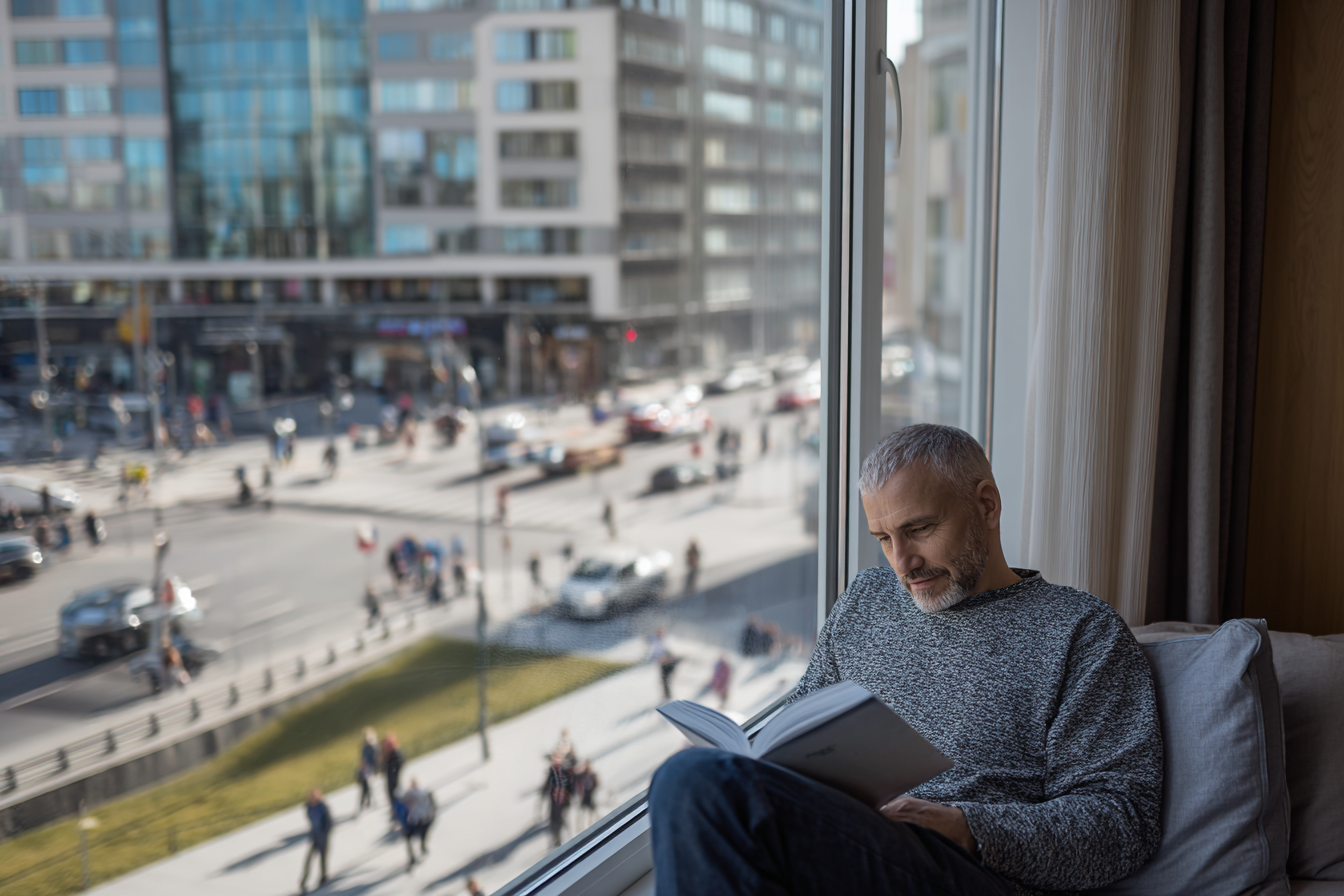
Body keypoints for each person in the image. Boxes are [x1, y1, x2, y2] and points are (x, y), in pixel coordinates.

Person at [647, 424, 1162, 896]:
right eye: (884, 539)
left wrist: (964, 826)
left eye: (918, 530)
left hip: (971, 873)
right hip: (854, 847)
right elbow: (799, 733)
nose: (901, 562)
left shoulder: (1079, 631)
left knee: (689, 781)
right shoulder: (867, 599)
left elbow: (1124, 823)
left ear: (986, 506)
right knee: (699, 784)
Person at [299, 788, 332, 893]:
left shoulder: (323, 807)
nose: (313, 798)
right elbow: (310, 818)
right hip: (314, 837)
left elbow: (329, 822)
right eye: (311, 796)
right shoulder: (309, 807)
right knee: (308, 860)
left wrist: (324, 833)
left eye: (315, 796)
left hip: (322, 837)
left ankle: (324, 877)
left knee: (323, 859)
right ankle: (303, 882)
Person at [400, 778, 437, 867]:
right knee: (422, 834)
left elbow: (403, 802)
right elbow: (433, 804)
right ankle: (422, 847)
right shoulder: (425, 791)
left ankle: (413, 855)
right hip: (425, 819)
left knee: (408, 836)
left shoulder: (410, 793)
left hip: (415, 820)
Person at [540, 752, 574, 848]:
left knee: (562, 819)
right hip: (554, 801)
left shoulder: (566, 770)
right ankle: (557, 839)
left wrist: (572, 794)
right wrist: (544, 791)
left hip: (564, 800)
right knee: (554, 821)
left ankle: (565, 835)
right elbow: (548, 782)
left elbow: (570, 785)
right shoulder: (552, 771)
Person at [649, 628, 679, 701]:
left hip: (670, 662)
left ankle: (668, 695)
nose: (659, 634)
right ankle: (666, 694)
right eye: (658, 633)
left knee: (667, 679)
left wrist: (668, 658)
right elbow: (655, 653)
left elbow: (674, 652)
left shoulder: (669, 640)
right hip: (663, 663)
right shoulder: (656, 642)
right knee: (663, 679)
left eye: (661, 633)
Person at [382, 734, 405, 818]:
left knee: (396, 797)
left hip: (394, 782)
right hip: (392, 782)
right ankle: (395, 812)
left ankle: (398, 813)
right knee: (393, 796)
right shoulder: (390, 756)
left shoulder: (395, 755)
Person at [572, 759, 599, 829]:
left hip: (590, 799)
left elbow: (593, 786)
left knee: (592, 815)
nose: (577, 770)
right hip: (582, 801)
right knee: (582, 817)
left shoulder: (589, 775)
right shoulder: (576, 778)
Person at [357, 727, 378, 812]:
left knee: (366, 783)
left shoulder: (373, 747)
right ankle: (365, 800)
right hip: (366, 769)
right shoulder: (364, 748)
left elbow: (375, 759)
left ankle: (365, 800)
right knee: (364, 783)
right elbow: (362, 759)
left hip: (371, 768)